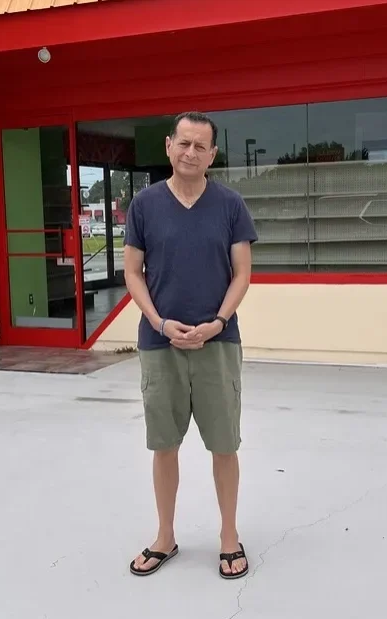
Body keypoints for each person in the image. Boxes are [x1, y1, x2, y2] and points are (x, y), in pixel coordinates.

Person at [124, 111, 258, 580]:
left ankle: (229, 537)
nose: (191, 153)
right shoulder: (143, 206)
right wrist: (160, 323)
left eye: (201, 146)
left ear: (212, 154)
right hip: (160, 344)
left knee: (224, 444)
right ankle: (165, 536)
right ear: (168, 145)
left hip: (218, 343)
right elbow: (132, 273)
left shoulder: (230, 205)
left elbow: (242, 272)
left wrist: (218, 322)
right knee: (165, 445)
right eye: (184, 143)